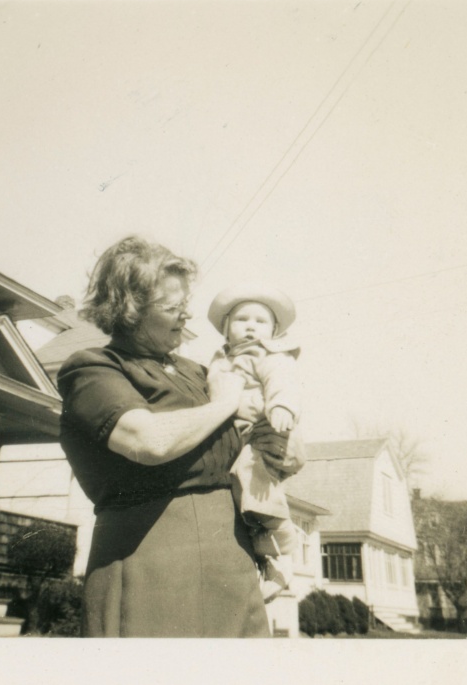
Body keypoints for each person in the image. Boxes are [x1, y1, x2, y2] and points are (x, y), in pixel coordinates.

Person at [57, 236, 302, 638]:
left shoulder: (196, 371)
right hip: (150, 559)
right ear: (130, 309)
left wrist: (285, 448)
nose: (185, 317)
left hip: (232, 560)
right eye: (172, 308)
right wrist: (223, 404)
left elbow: (251, 440)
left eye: (185, 306)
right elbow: (148, 441)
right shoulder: (94, 369)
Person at [207, 284, 304, 603]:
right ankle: (265, 561)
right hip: (238, 438)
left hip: (265, 433)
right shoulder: (220, 361)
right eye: (241, 319)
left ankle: (284, 557)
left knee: (256, 486)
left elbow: (283, 380)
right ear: (225, 328)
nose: (250, 326)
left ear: (274, 331)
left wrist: (281, 407)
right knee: (245, 498)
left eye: (260, 321)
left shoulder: (269, 355)